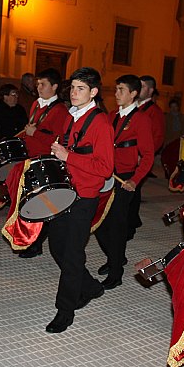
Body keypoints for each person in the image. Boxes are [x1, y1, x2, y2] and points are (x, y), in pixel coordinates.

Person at [46, 67, 113, 333]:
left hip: (84, 197)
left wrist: (68, 157)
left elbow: (106, 168)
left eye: (80, 89)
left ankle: (65, 310)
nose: (74, 93)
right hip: (64, 192)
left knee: (72, 254)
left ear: (93, 92)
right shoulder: (71, 117)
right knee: (57, 248)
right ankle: (91, 286)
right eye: (72, 88)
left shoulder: (101, 123)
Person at [94, 74, 154, 289]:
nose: (116, 94)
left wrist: (135, 181)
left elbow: (148, 155)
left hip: (125, 180)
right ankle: (115, 257)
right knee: (99, 223)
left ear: (133, 93)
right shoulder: (110, 116)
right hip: (106, 176)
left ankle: (116, 272)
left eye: (121, 90)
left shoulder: (141, 119)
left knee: (116, 226)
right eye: (116, 89)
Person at [16, 68, 69, 258]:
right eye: (37, 84)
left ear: (54, 87)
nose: (38, 87)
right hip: (30, 159)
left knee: (43, 204)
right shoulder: (36, 105)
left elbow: (58, 140)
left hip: (45, 162)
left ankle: (36, 243)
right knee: (29, 200)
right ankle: (29, 239)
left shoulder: (61, 110)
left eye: (43, 84)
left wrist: (34, 133)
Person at [125, 75, 164, 240]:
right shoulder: (135, 108)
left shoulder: (154, 111)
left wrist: (144, 156)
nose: (138, 89)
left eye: (141, 86)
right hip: (129, 158)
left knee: (134, 192)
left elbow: (157, 137)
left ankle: (130, 225)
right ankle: (132, 221)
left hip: (140, 159)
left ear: (150, 90)